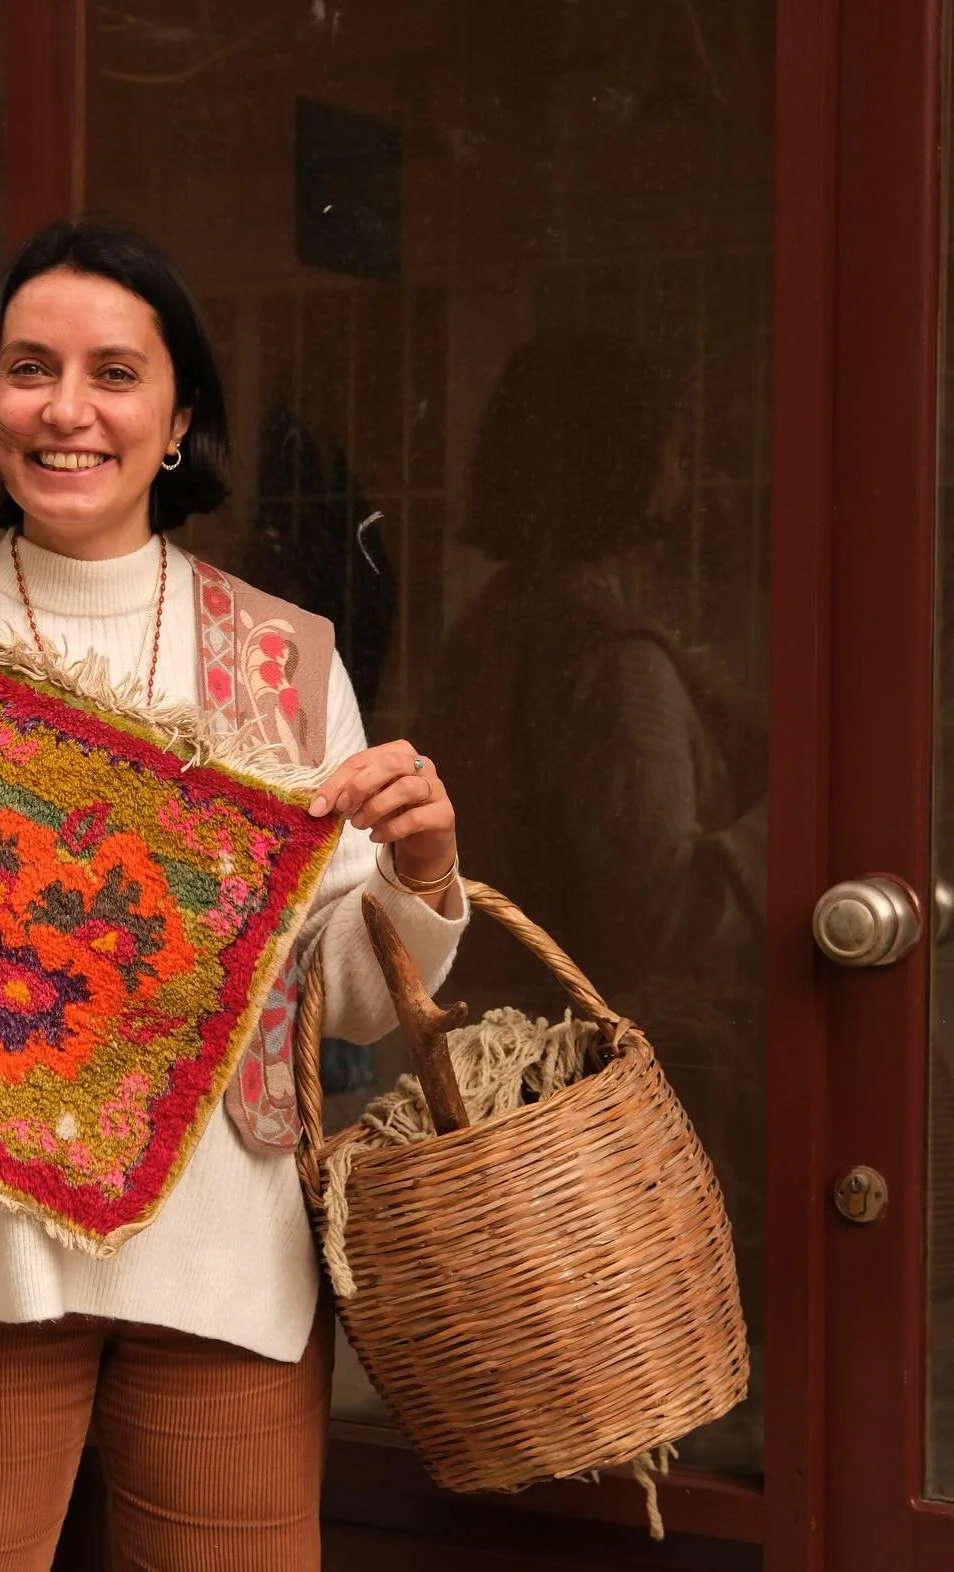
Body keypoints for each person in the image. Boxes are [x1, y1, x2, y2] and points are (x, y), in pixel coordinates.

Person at [0, 219, 468, 1571]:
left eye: (114, 372)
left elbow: (338, 999)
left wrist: (421, 872)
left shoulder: (285, 660)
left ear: (176, 420)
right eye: (30, 368)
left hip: (228, 1259)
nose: (67, 408)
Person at [416, 328, 766, 1468]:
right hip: (595, 1118)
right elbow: (654, 912)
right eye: (668, 447)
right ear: (626, 462)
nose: (684, 475)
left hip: (503, 1081)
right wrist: (796, 832)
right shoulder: (611, 660)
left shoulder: (496, 625)